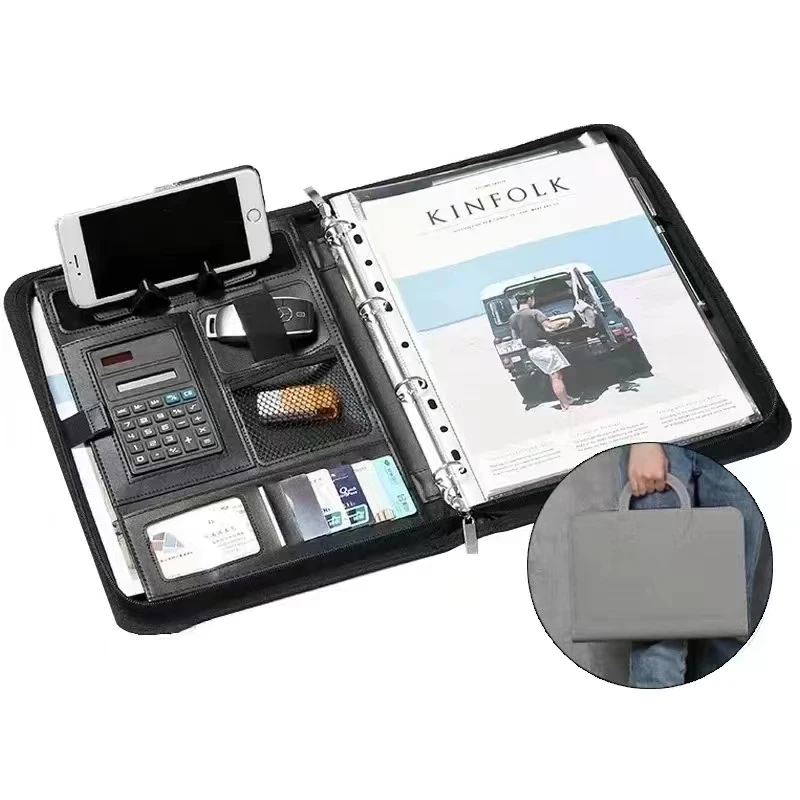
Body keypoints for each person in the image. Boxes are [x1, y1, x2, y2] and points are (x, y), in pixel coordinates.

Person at [624, 442, 765, 688]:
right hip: (663, 436)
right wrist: (642, 439)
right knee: (657, 631)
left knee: (727, 623)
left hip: (742, 437)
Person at [509, 292, 574, 410]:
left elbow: (515, 337)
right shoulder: (534, 313)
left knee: (552, 374)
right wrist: (566, 321)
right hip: (544, 348)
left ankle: (566, 398)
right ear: (530, 299)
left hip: (532, 352)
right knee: (556, 376)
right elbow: (550, 326)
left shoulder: (512, 318)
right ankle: (565, 404)